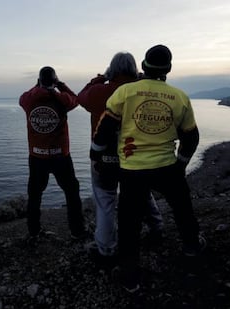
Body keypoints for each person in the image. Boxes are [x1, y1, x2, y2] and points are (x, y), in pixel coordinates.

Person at [91, 44, 206, 292]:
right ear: (169, 69)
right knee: (183, 208)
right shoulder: (180, 97)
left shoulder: (125, 93)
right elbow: (191, 137)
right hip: (166, 167)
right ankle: (192, 247)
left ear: (143, 66)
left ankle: (130, 278)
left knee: (129, 224)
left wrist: (95, 154)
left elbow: (105, 129)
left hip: (132, 170)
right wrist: (181, 164)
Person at [77, 52, 163, 263]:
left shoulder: (99, 92)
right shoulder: (142, 91)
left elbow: (80, 97)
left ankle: (106, 248)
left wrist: (99, 78)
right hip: (135, 159)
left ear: (111, 70)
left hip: (104, 159)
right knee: (143, 193)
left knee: (105, 201)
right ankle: (156, 226)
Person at [19, 66, 86, 240]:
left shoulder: (29, 100)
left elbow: (22, 97)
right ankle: (77, 231)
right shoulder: (61, 99)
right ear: (54, 80)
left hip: (36, 157)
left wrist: (37, 86)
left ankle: (33, 232)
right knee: (72, 192)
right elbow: (76, 99)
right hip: (60, 156)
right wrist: (60, 85)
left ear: (39, 80)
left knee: (34, 195)